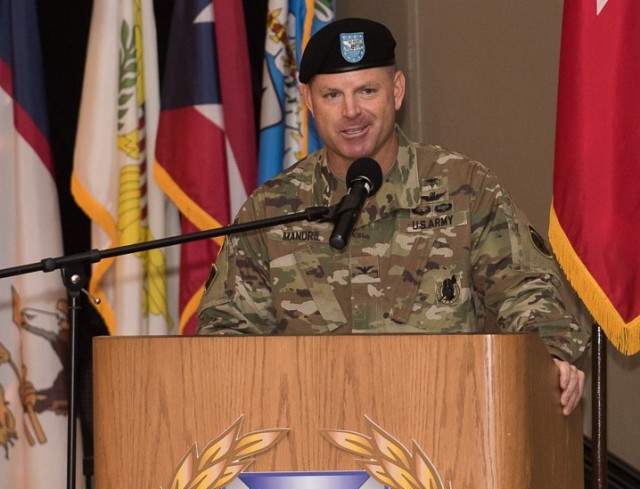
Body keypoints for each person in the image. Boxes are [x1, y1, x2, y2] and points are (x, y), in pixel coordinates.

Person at [197, 17, 589, 415]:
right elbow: (226, 340)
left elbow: (528, 296)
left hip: (445, 435)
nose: (352, 111)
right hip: (310, 444)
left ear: (397, 91)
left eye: (367, 91)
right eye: (333, 95)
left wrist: (550, 361)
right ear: (308, 101)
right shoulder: (273, 208)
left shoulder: (465, 189)